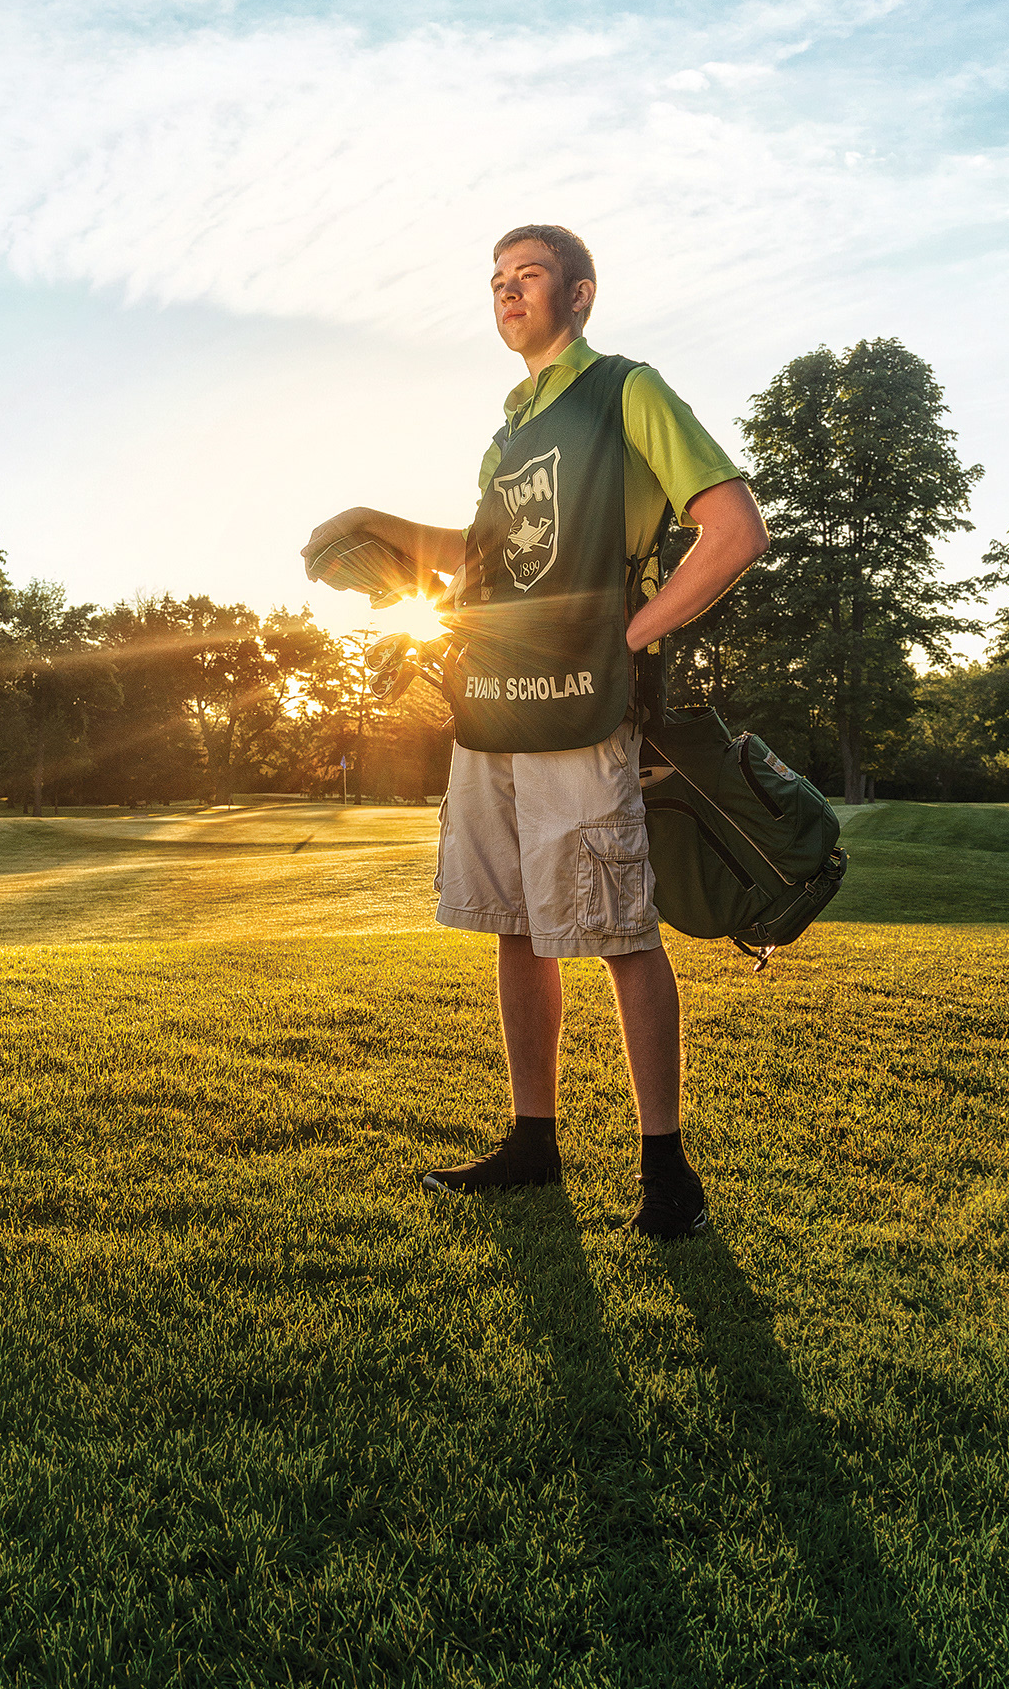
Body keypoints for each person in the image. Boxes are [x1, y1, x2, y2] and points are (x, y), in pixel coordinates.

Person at [301, 223, 768, 1234]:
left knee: (616, 931)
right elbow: (475, 558)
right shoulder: (509, 426)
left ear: (580, 294)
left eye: (528, 278)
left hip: (586, 715)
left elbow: (734, 531)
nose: (507, 294)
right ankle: (531, 1143)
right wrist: (375, 526)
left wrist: (626, 639)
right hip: (491, 709)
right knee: (515, 926)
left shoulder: (624, 391)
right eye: (496, 282)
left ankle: (664, 1172)